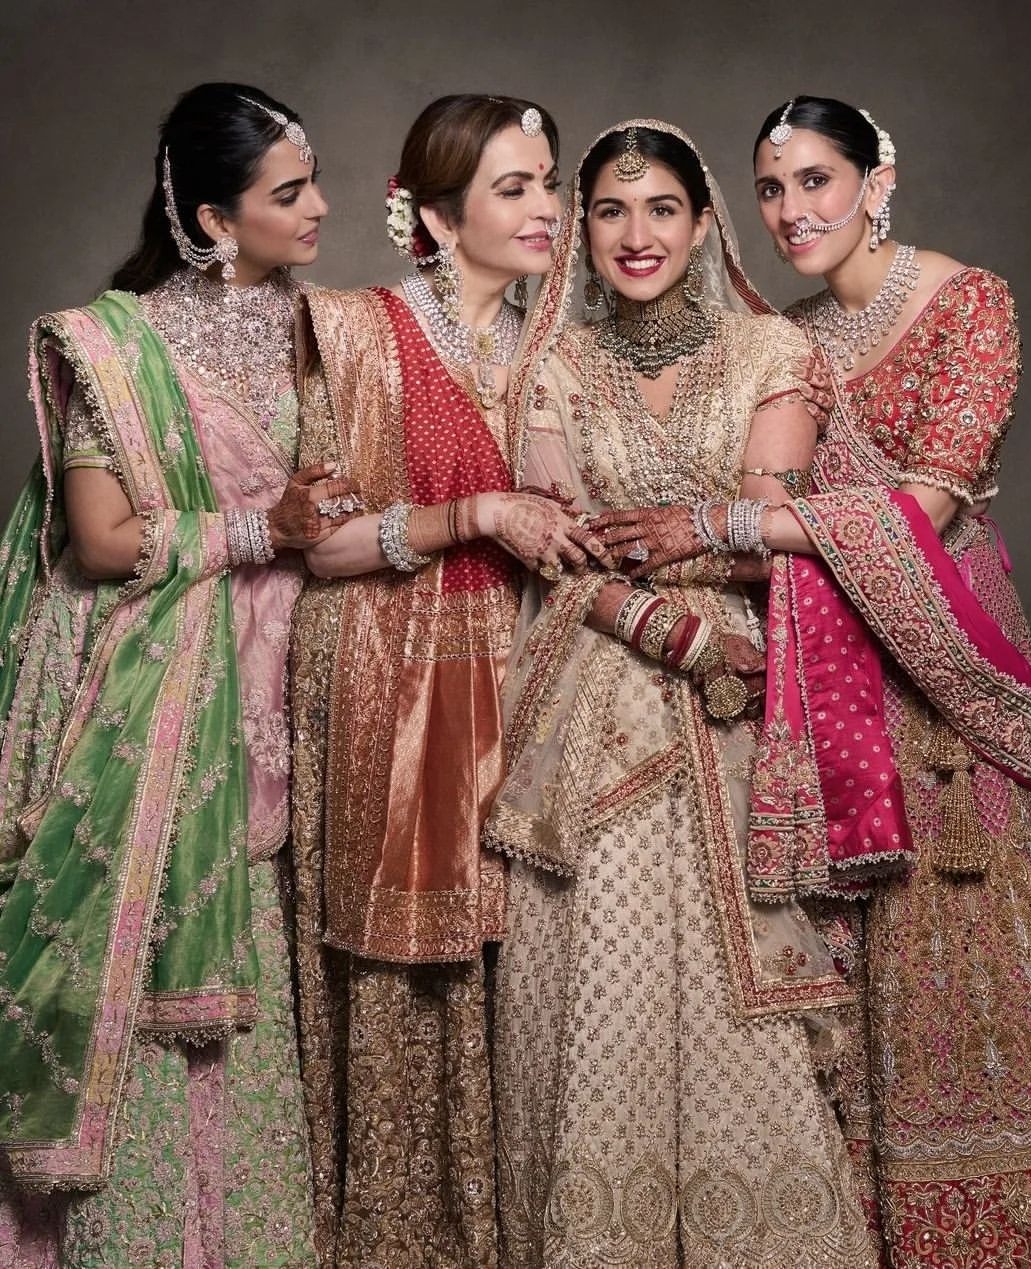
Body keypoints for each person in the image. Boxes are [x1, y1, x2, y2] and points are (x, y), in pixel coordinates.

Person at [599, 96, 1031, 1265]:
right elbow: (765, 531)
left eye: (815, 180)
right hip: (826, 674)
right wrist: (670, 541)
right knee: (857, 972)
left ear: (875, 180)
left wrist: (709, 521)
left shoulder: (969, 302)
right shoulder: (783, 338)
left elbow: (926, 509)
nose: (792, 210)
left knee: (977, 955)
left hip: (943, 662)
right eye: (771, 187)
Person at [485, 120, 875, 1268]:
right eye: (610, 209)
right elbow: (562, 552)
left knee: (734, 985)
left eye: (661, 208)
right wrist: (668, 619)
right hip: (591, 709)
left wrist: (689, 551)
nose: (635, 233)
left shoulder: (770, 353)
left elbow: (774, 530)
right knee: (595, 977)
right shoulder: (551, 367)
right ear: (582, 228)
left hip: (739, 712)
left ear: (704, 224)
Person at [0, 81, 346, 1266]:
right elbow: (102, 541)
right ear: (212, 218)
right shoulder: (119, 345)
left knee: (251, 983)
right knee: (141, 979)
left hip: (279, 681)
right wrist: (263, 529)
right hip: (152, 693)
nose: (319, 208)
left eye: (313, 183)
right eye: (289, 193)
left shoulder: (325, 331)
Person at [287, 94, 601, 1268]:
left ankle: (510, 1233)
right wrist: (475, 514)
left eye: (549, 182)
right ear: (433, 216)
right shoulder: (353, 332)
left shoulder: (560, 350)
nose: (546, 207)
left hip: (529, 682)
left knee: (530, 961)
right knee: (400, 973)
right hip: (387, 681)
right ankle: (398, 1238)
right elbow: (323, 547)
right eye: (514, 187)